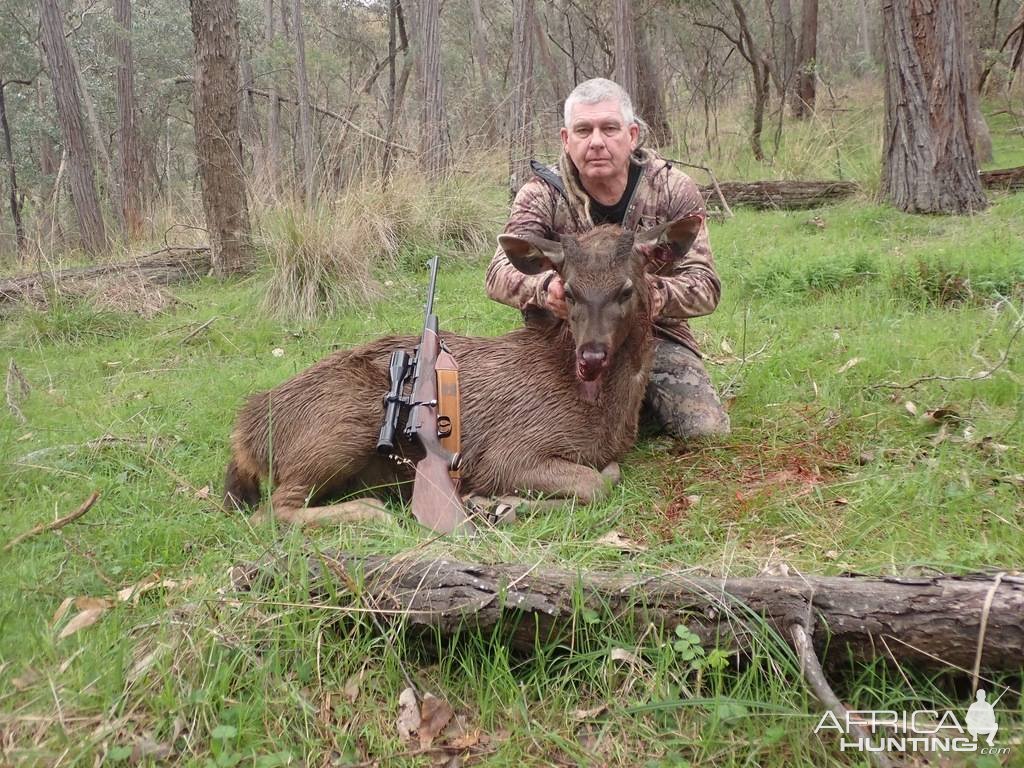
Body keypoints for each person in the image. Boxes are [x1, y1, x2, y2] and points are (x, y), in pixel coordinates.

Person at [486, 78, 730, 441]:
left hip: (651, 334)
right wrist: (546, 290)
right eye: (583, 130)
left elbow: (705, 286)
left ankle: (631, 406)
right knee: (518, 426)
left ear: (632, 135)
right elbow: (498, 273)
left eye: (609, 128)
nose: (596, 141)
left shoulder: (671, 189)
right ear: (567, 140)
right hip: (564, 335)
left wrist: (644, 295)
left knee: (704, 430)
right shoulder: (541, 195)